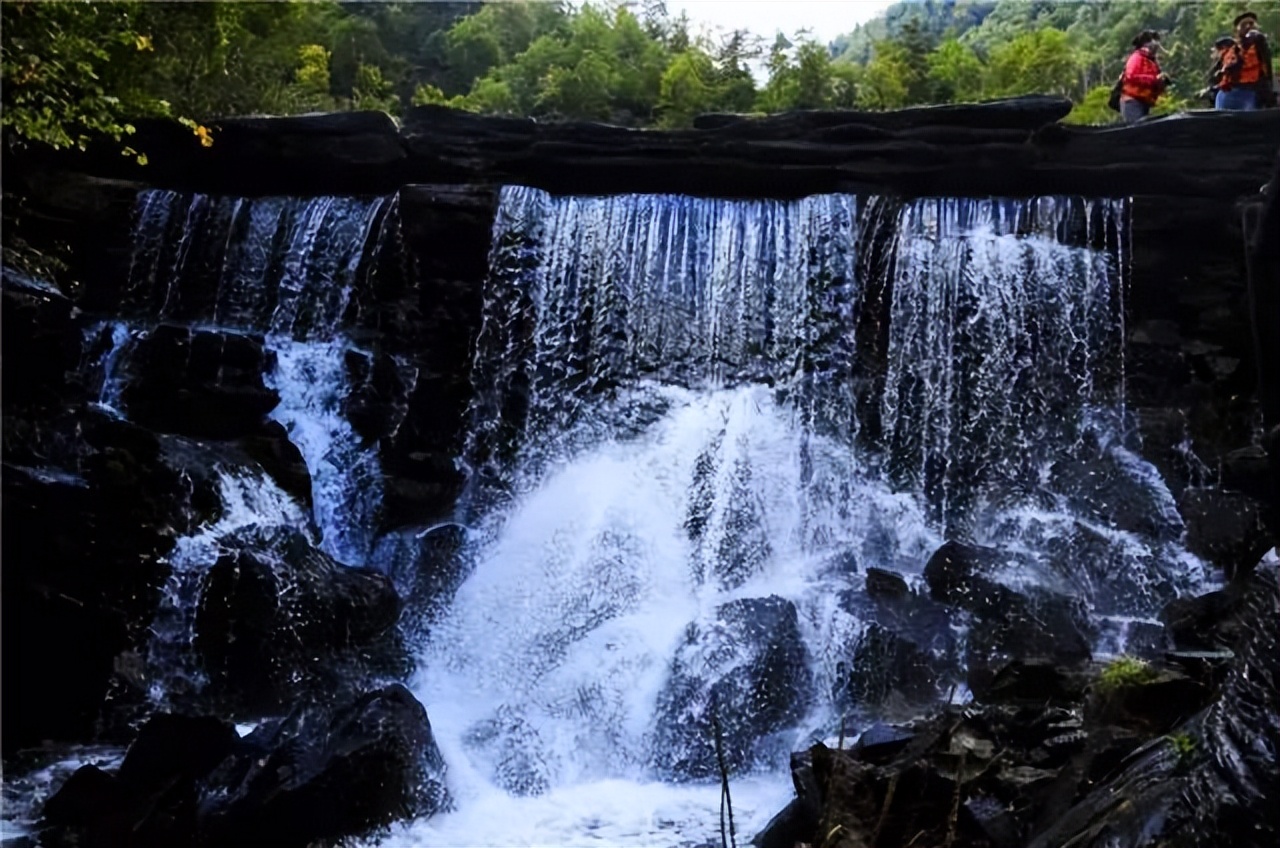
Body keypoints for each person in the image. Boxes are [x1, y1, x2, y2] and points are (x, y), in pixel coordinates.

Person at [1216, 11, 1276, 110]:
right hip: (1226, 93)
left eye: (1252, 24)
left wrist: (1269, 95)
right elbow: (1218, 73)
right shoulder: (1228, 48)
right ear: (1236, 30)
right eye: (1244, 24)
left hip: (1248, 92)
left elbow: (1267, 69)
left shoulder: (1259, 43)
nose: (1248, 26)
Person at [1120, 30, 1170, 123]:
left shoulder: (1151, 61)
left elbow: (1152, 83)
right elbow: (1131, 76)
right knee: (1138, 132)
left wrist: (1161, 82)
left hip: (1144, 101)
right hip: (1132, 102)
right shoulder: (1137, 57)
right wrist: (1154, 79)